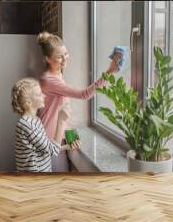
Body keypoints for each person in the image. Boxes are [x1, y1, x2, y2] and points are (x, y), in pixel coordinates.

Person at [36, 31, 120, 172]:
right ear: (48, 59)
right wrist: (110, 71)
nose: (65, 59)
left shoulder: (58, 74)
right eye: (59, 57)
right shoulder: (49, 79)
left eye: (66, 54)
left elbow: (62, 109)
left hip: (58, 140)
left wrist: (71, 137)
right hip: (49, 142)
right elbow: (84, 94)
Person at [11, 77, 81, 172]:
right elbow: (52, 150)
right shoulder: (26, 125)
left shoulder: (35, 120)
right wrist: (60, 121)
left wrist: (67, 147)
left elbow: (45, 148)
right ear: (28, 102)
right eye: (39, 94)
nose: (44, 96)